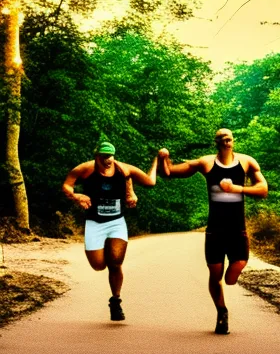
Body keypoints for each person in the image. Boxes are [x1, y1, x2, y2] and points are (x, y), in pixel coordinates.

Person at [159, 128, 268, 334]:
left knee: (232, 275)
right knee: (215, 274)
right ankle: (221, 311)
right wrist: (164, 157)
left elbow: (263, 190)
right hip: (215, 230)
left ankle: (230, 282)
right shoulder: (206, 163)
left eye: (229, 139)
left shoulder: (246, 162)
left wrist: (238, 189)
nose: (226, 142)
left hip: (238, 229)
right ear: (216, 142)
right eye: (222, 139)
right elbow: (170, 172)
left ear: (233, 141)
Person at [62, 141, 158, 321]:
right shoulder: (85, 169)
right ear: (96, 157)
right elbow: (67, 185)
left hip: (116, 222)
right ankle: (104, 250)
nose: (108, 160)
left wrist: (156, 162)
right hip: (94, 223)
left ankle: (116, 301)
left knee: (115, 264)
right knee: (98, 265)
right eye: (104, 156)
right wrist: (76, 196)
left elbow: (150, 181)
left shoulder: (123, 169)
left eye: (111, 156)